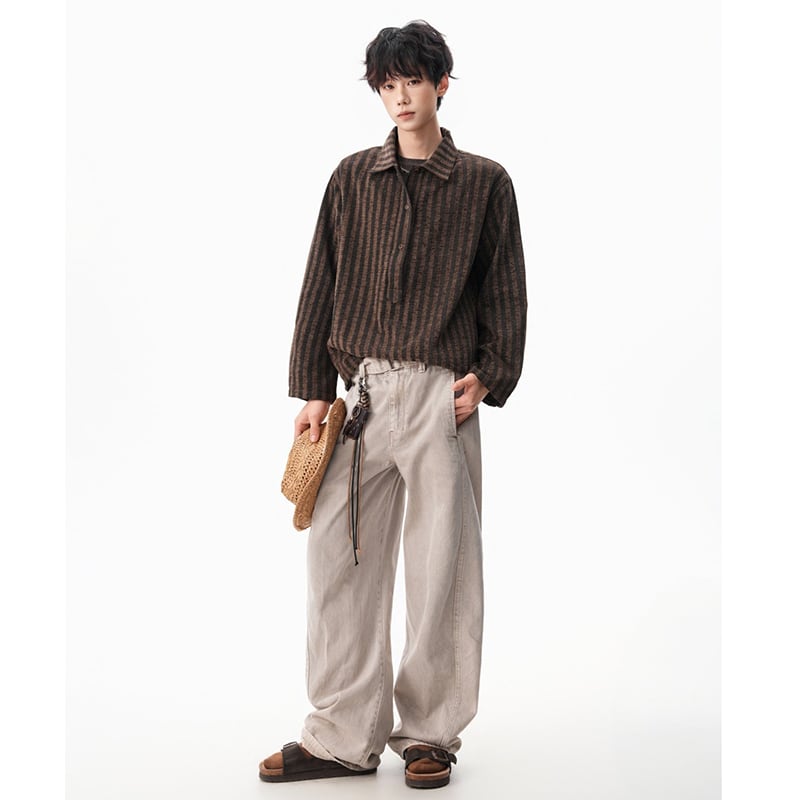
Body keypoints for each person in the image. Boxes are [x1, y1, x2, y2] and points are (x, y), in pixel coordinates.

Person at [259, 19, 527, 789]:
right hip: (365, 398)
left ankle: (430, 733)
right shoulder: (351, 178)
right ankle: (342, 735)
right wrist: (316, 389)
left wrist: (491, 373)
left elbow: (505, 287)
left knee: (444, 570)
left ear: (441, 82)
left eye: (413, 80)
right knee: (338, 563)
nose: (400, 95)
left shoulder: (484, 182)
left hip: (443, 399)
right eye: (387, 83)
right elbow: (320, 281)